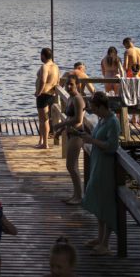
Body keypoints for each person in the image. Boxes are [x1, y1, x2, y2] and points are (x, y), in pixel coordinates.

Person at [80, 91, 120, 256]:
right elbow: (98, 139)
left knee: (106, 203)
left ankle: (106, 243)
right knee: (96, 198)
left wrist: (91, 140)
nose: (92, 111)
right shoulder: (102, 119)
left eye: (94, 108)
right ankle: (99, 237)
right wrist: (88, 136)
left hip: (106, 167)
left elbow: (112, 146)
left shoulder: (112, 122)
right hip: (97, 163)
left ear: (101, 106)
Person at [52, 74, 86, 204]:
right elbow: (69, 118)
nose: (69, 86)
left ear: (77, 84)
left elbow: (78, 119)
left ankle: (79, 196)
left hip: (77, 134)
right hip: (70, 133)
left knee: (71, 166)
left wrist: (60, 125)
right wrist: (60, 131)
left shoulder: (78, 99)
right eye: (67, 84)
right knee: (72, 166)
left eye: (71, 84)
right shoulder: (71, 98)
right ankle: (76, 195)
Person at [35, 47, 60, 149]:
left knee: (43, 120)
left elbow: (43, 80)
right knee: (45, 119)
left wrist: (38, 92)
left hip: (43, 95)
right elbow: (58, 81)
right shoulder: (56, 66)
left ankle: (45, 144)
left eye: (41, 55)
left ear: (43, 56)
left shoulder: (44, 66)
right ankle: (41, 140)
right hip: (51, 95)